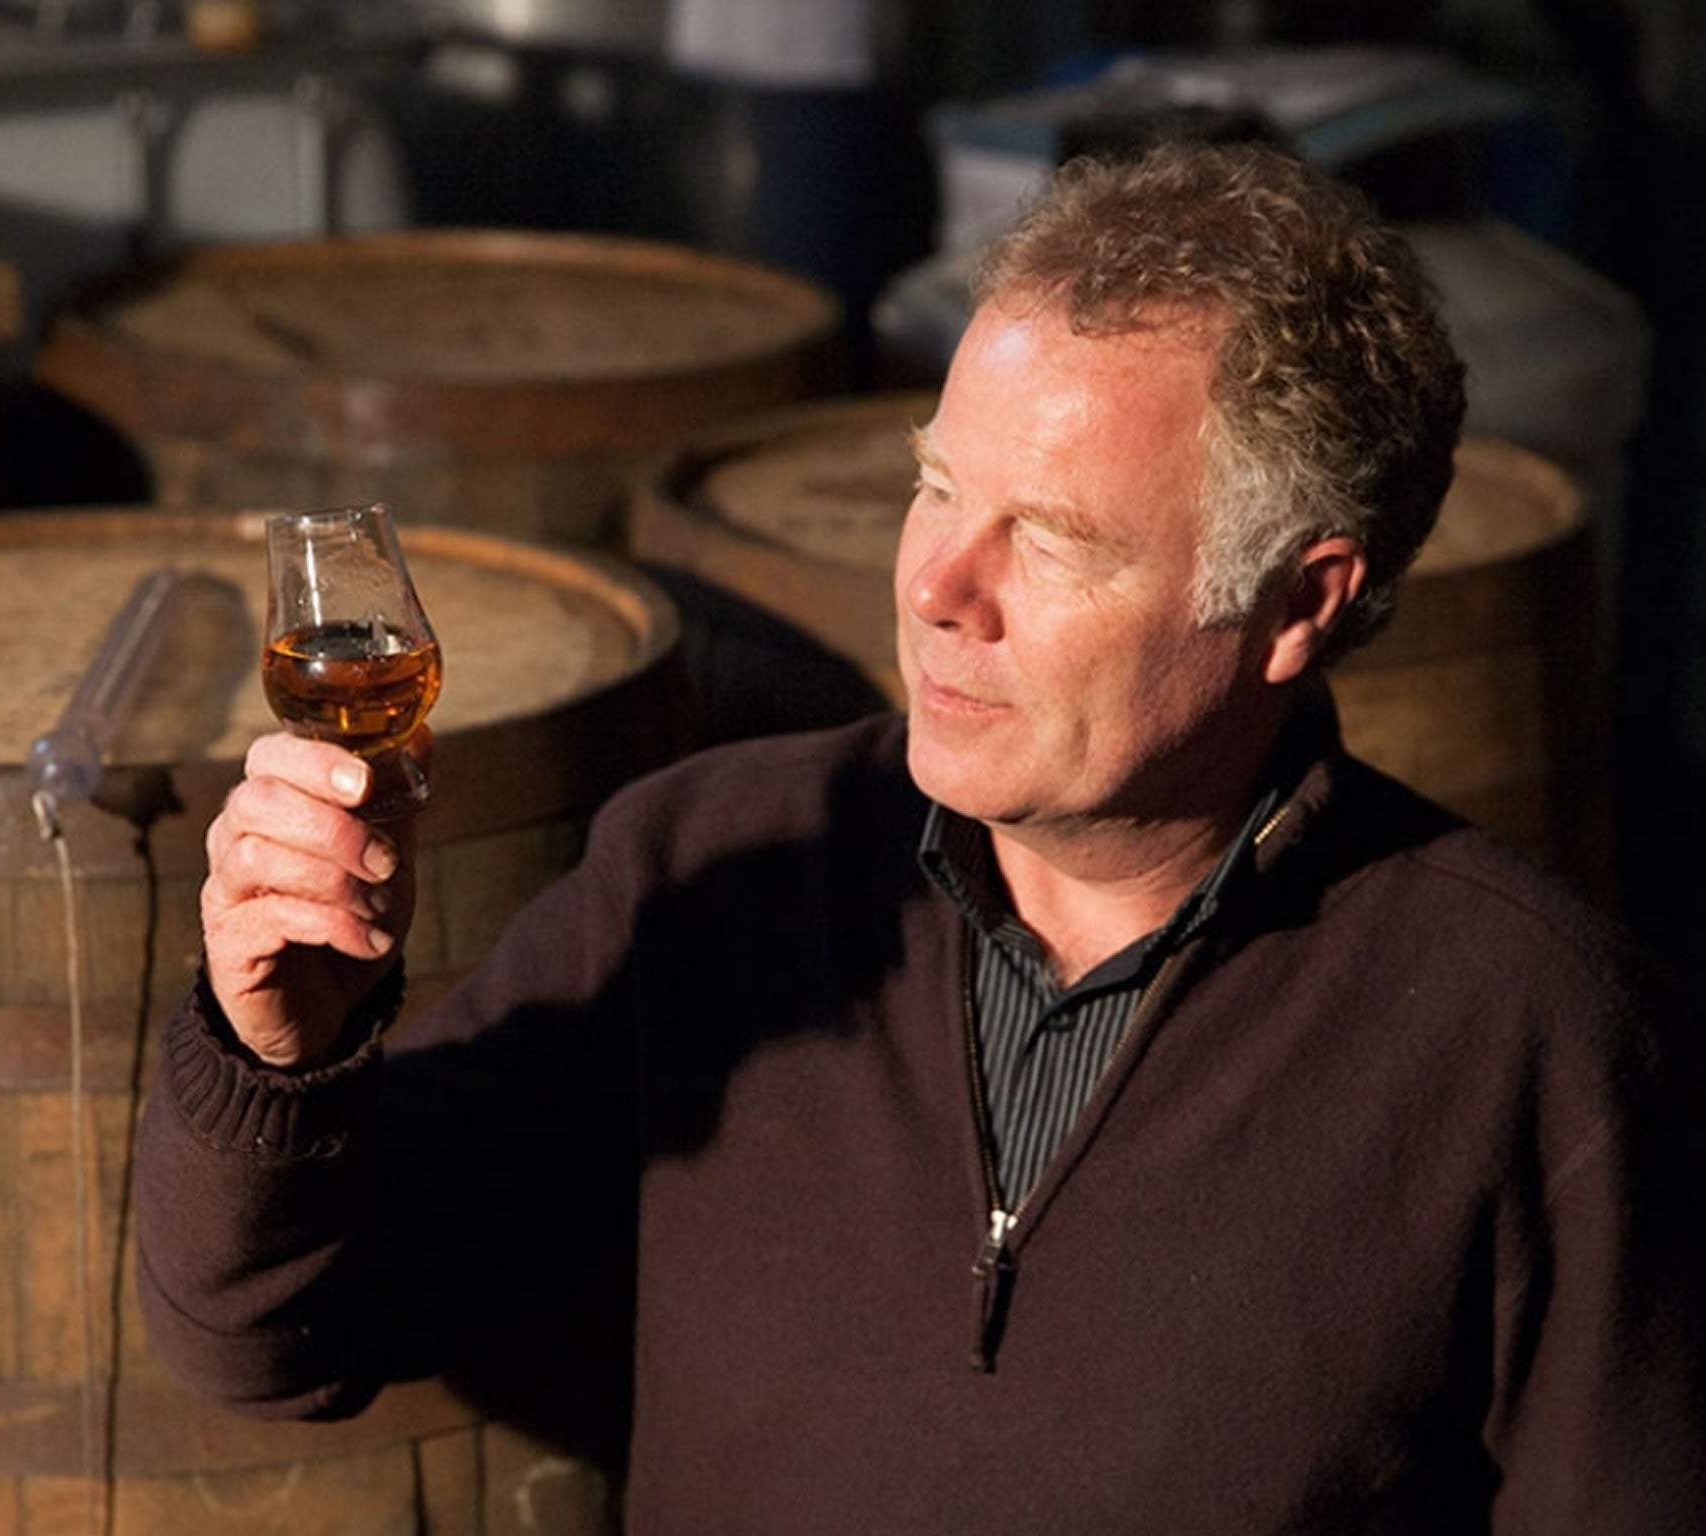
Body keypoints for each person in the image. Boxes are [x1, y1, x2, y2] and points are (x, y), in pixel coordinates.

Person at [135, 141, 1706, 1532]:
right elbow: (272, 1341)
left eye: (1058, 540)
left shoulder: (1536, 1041)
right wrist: (278, 1057)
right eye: (938, 488)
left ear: (1300, 604)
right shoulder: (711, 870)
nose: (940, 585)